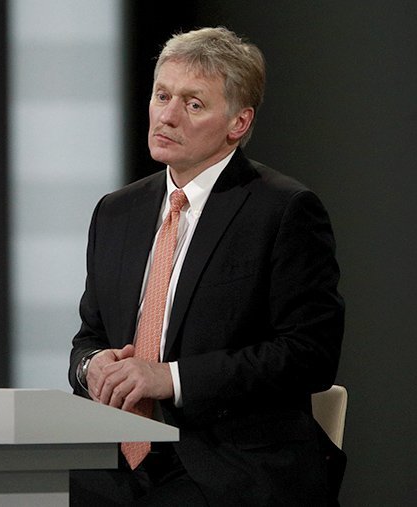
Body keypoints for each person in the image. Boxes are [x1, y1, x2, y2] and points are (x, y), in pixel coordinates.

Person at [68, 26, 345, 506]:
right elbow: (89, 336)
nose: (167, 115)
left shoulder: (283, 210)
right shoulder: (116, 212)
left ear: (238, 122)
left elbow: (309, 355)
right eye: (162, 96)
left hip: (231, 462)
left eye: (193, 104)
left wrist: (170, 378)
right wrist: (91, 368)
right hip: (114, 463)